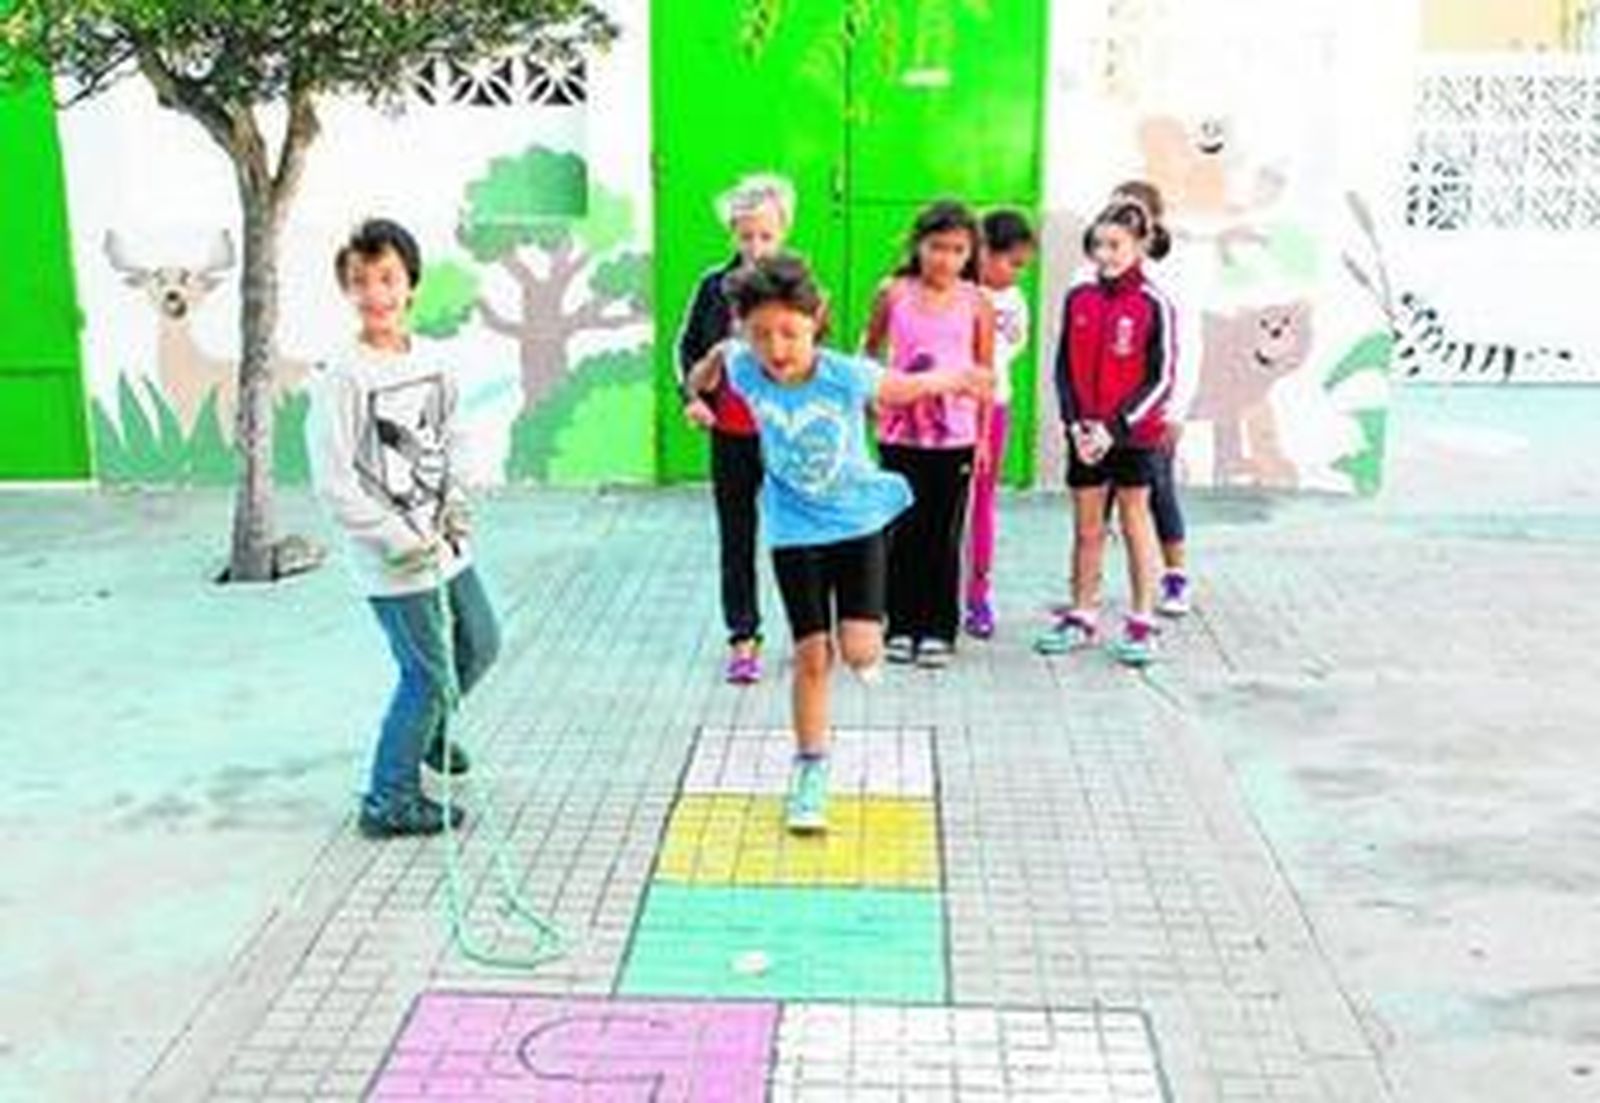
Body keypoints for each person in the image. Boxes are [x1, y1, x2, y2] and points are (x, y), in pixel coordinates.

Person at [687, 255, 988, 832]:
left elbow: (903, 387)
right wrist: (703, 378)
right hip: (793, 528)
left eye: (790, 334)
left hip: (856, 524)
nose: (776, 349)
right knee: (812, 656)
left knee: (858, 651)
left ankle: (868, 651)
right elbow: (709, 367)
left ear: (815, 320)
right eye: (762, 335)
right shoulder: (742, 363)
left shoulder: (842, 374)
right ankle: (810, 769)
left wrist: (959, 378)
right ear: (744, 330)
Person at [307, 218, 501, 838]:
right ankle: (388, 799)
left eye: (387, 278)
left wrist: (458, 500)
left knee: (481, 643)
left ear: (411, 284)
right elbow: (336, 483)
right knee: (426, 673)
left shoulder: (435, 361)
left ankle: (432, 732)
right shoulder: (341, 375)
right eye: (360, 281)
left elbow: (456, 435)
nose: (375, 294)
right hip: (392, 559)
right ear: (347, 290)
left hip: (444, 541)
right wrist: (396, 539)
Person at [1035, 199, 1176, 666]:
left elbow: (1160, 379)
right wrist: (1077, 425)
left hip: (1133, 437)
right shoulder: (1079, 298)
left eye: (1115, 244)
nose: (1105, 254)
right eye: (1098, 244)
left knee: (1136, 523)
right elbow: (1063, 370)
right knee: (1087, 529)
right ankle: (1082, 613)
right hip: (1086, 435)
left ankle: (1142, 620)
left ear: (1140, 245)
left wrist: (1114, 429)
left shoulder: (1154, 303)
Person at [863, 201, 996, 668]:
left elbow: (984, 374)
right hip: (900, 434)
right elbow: (870, 349)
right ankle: (899, 624)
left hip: (954, 438)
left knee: (944, 533)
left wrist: (980, 440)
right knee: (902, 529)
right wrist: (873, 396)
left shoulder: (977, 301)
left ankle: (938, 628)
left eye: (957, 249)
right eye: (936, 247)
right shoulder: (893, 292)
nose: (944, 258)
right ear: (918, 245)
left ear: (970, 254)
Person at [678, 174, 797, 683]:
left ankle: (809, 629)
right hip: (731, 433)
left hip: (788, 433)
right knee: (737, 537)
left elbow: (818, 356)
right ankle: (743, 638)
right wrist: (694, 397)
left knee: (797, 534)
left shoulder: (796, 286)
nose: (755, 247)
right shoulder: (713, 287)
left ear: (784, 232)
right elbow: (685, 352)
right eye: (746, 236)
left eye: (765, 236)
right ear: (733, 234)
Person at [1107, 180, 1192, 615]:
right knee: (1097, 504)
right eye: (1116, 208)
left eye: (1132, 210)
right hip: (1103, 414)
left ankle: (1175, 577)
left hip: (1149, 412)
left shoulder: (1169, 278)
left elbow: (1186, 347)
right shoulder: (1098, 270)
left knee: (1157, 492)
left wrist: (1175, 410)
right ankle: (1087, 591)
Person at [963, 209, 1037, 639]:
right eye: (1012, 263)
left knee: (982, 504)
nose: (1016, 274)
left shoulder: (1014, 302)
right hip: (945, 409)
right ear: (984, 251)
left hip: (992, 408)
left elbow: (1009, 352)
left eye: (1023, 267)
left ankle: (978, 594)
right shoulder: (956, 291)